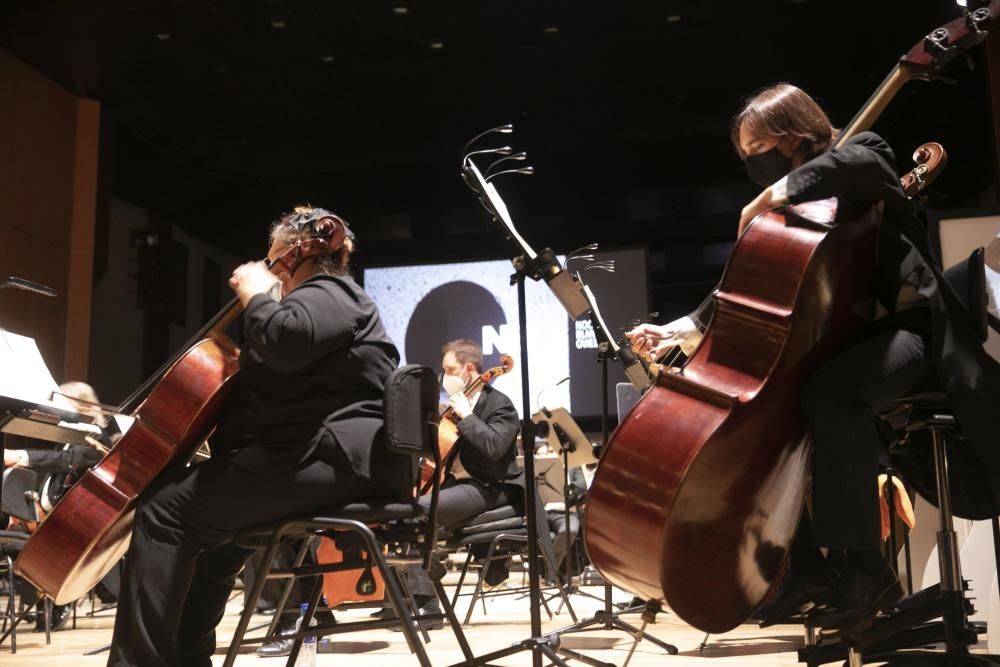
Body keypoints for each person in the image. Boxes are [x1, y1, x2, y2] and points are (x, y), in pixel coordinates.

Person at [627, 83, 1000, 620]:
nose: (754, 165)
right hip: (858, 341)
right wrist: (683, 326)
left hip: (918, 332)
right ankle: (804, 569)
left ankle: (864, 569)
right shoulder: (806, 204)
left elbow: (858, 162)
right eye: (746, 158)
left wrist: (772, 193)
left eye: (759, 150)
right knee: (788, 410)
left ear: (795, 134)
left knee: (832, 393)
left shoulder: (862, 154)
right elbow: (761, 276)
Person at [106, 206, 409, 667]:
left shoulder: (330, 291)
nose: (272, 272)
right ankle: (189, 657)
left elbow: (284, 339)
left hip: (332, 459)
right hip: (329, 460)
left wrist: (256, 293)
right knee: (220, 535)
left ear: (294, 255)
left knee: (164, 508)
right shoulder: (331, 304)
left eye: (273, 262)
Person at [395, 339, 524, 626]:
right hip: (459, 485)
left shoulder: (499, 405)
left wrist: (466, 415)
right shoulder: (451, 408)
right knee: (399, 510)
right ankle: (408, 593)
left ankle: (428, 607)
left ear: (468, 369)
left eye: (449, 369)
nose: (445, 376)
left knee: (417, 510)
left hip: (492, 487)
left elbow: (494, 447)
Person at [3, 381, 117, 630]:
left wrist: (21, 455)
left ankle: (58, 596)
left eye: (59, 403)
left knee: (30, 544)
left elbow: (66, 461)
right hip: (49, 514)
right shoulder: (68, 436)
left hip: (75, 520)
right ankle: (40, 598)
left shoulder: (97, 435)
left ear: (80, 406)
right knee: (15, 541)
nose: (53, 410)